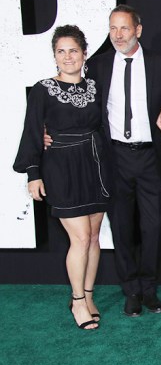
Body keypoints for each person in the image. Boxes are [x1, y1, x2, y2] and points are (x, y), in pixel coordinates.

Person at [86, 4, 161, 317]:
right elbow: (86, 109)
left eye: (124, 28)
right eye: (113, 28)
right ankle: (131, 291)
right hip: (115, 159)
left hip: (151, 159)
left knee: (153, 228)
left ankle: (150, 290)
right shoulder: (97, 66)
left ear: (138, 30)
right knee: (123, 229)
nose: (117, 34)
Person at [14, 25, 110, 330]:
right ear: (54, 56)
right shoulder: (43, 89)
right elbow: (32, 131)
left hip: (95, 167)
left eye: (73, 50)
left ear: (84, 53)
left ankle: (90, 295)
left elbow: (106, 125)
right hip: (61, 169)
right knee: (80, 238)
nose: (67, 57)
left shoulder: (95, 87)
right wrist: (33, 173)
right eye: (61, 51)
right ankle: (78, 301)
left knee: (94, 237)